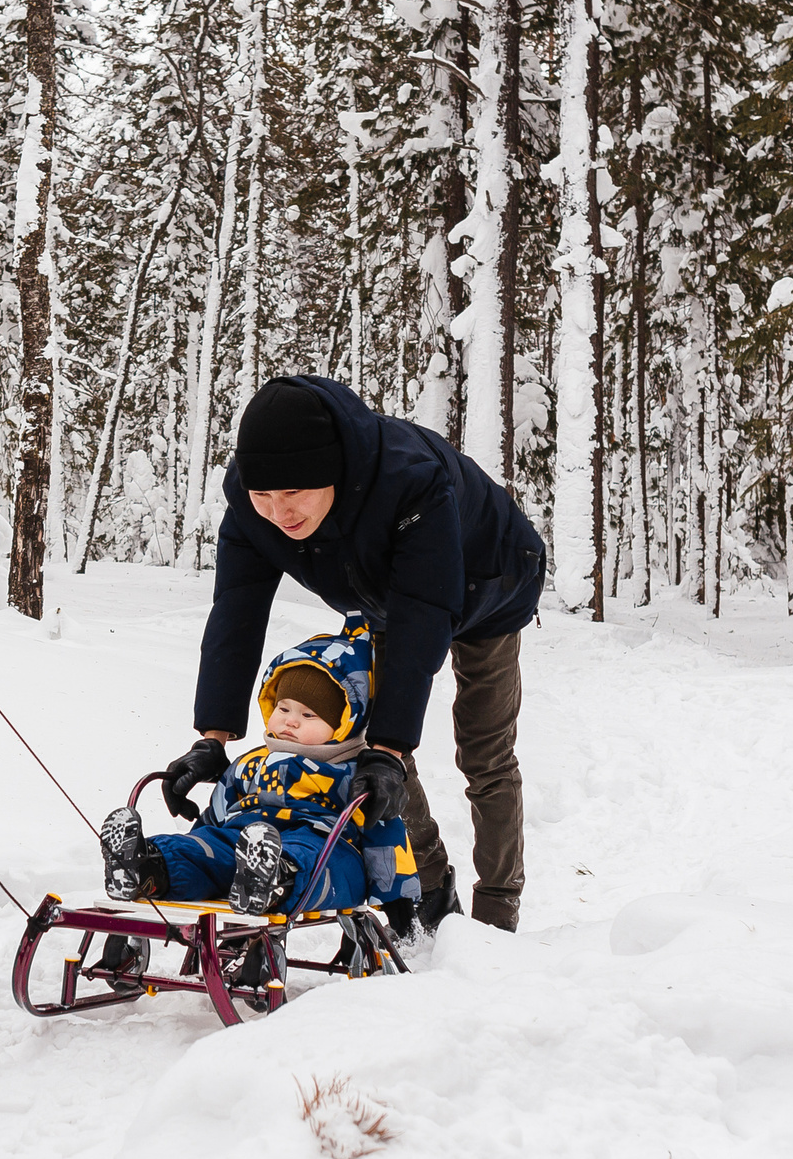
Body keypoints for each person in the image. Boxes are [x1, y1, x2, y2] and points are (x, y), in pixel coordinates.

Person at [169, 377, 544, 933]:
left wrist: (392, 745)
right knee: (375, 758)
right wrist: (213, 736)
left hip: (491, 587)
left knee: (483, 755)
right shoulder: (252, 503)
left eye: (294, 494)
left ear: (334, 474)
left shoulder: (409, 480)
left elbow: (424, 614)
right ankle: (434, 893)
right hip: (390, 596)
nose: (279, 512)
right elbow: (236, 612)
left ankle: (496, 911)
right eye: (265, 495)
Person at [101, 619, 419, 916]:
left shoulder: (355, 774)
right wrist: (200, 843)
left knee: (313, 859)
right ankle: (147, 867)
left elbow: (387, 842)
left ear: (344, 724)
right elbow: (216, 815)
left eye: (309, 715)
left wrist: (397, 904)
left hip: (323, 846)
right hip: (241, 841)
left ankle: (276, 877)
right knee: (209, 848)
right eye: (283, 708)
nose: (291, 720)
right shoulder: (249, 763)